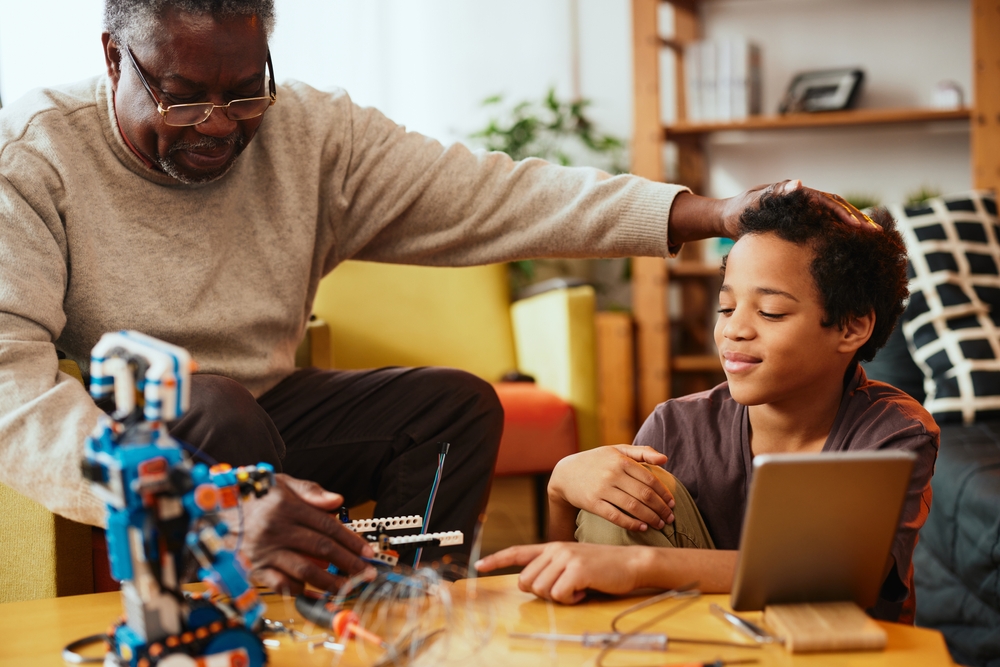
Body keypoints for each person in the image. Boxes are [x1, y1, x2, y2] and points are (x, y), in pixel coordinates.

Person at [0, 0, 872, 595]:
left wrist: (714, 213)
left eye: (246, 90)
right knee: (217, 409)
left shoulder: (311, 134)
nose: (222, 123)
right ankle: (249, 616)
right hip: (144, 436)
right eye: (184, 98)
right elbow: (12, 389)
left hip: (271, 408)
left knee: (454, 406)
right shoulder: (34, 156)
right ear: (113, 58)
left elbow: (494, 194)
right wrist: (208, 503)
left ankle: (404, 602)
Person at [476, 190, 940, 624]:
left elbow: (838, 577)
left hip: (832, 648)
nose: (734, 330)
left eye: (770, 312)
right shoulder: (674, 426)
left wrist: (642, 564)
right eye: (726, 308)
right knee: (618, 489)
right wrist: (561, 489)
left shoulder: (893, 432)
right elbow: (582, 571)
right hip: (692, 640)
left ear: (851, 328)